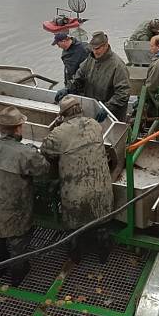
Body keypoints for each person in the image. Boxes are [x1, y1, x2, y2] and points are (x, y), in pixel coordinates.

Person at [0, 106, 48, 284]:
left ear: (0, 128)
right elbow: (44, 169)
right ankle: (17, 278)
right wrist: (32, 150)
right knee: (18, 246)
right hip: (14, 214)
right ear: (18, 128)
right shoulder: (25, 153)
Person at [42, 96, 113, 262]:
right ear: (80, 109)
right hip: (102, 192)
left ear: (62, 115)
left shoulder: (58, 134)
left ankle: (75, 257)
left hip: (75, 197)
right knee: (101, 224)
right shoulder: (95, 125)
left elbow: (45, 151)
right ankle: (103, 255)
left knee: (73, 229)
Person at [55, 31, 131, 122]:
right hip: (92, 108)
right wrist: (68, 88)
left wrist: (108, 108)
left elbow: (123, 93)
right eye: (93, 48)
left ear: (106, 45)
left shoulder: (118, 65)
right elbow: (79, 76)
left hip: (111, 115)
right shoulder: (91, 59)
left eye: (98, 48)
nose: (95, 52)